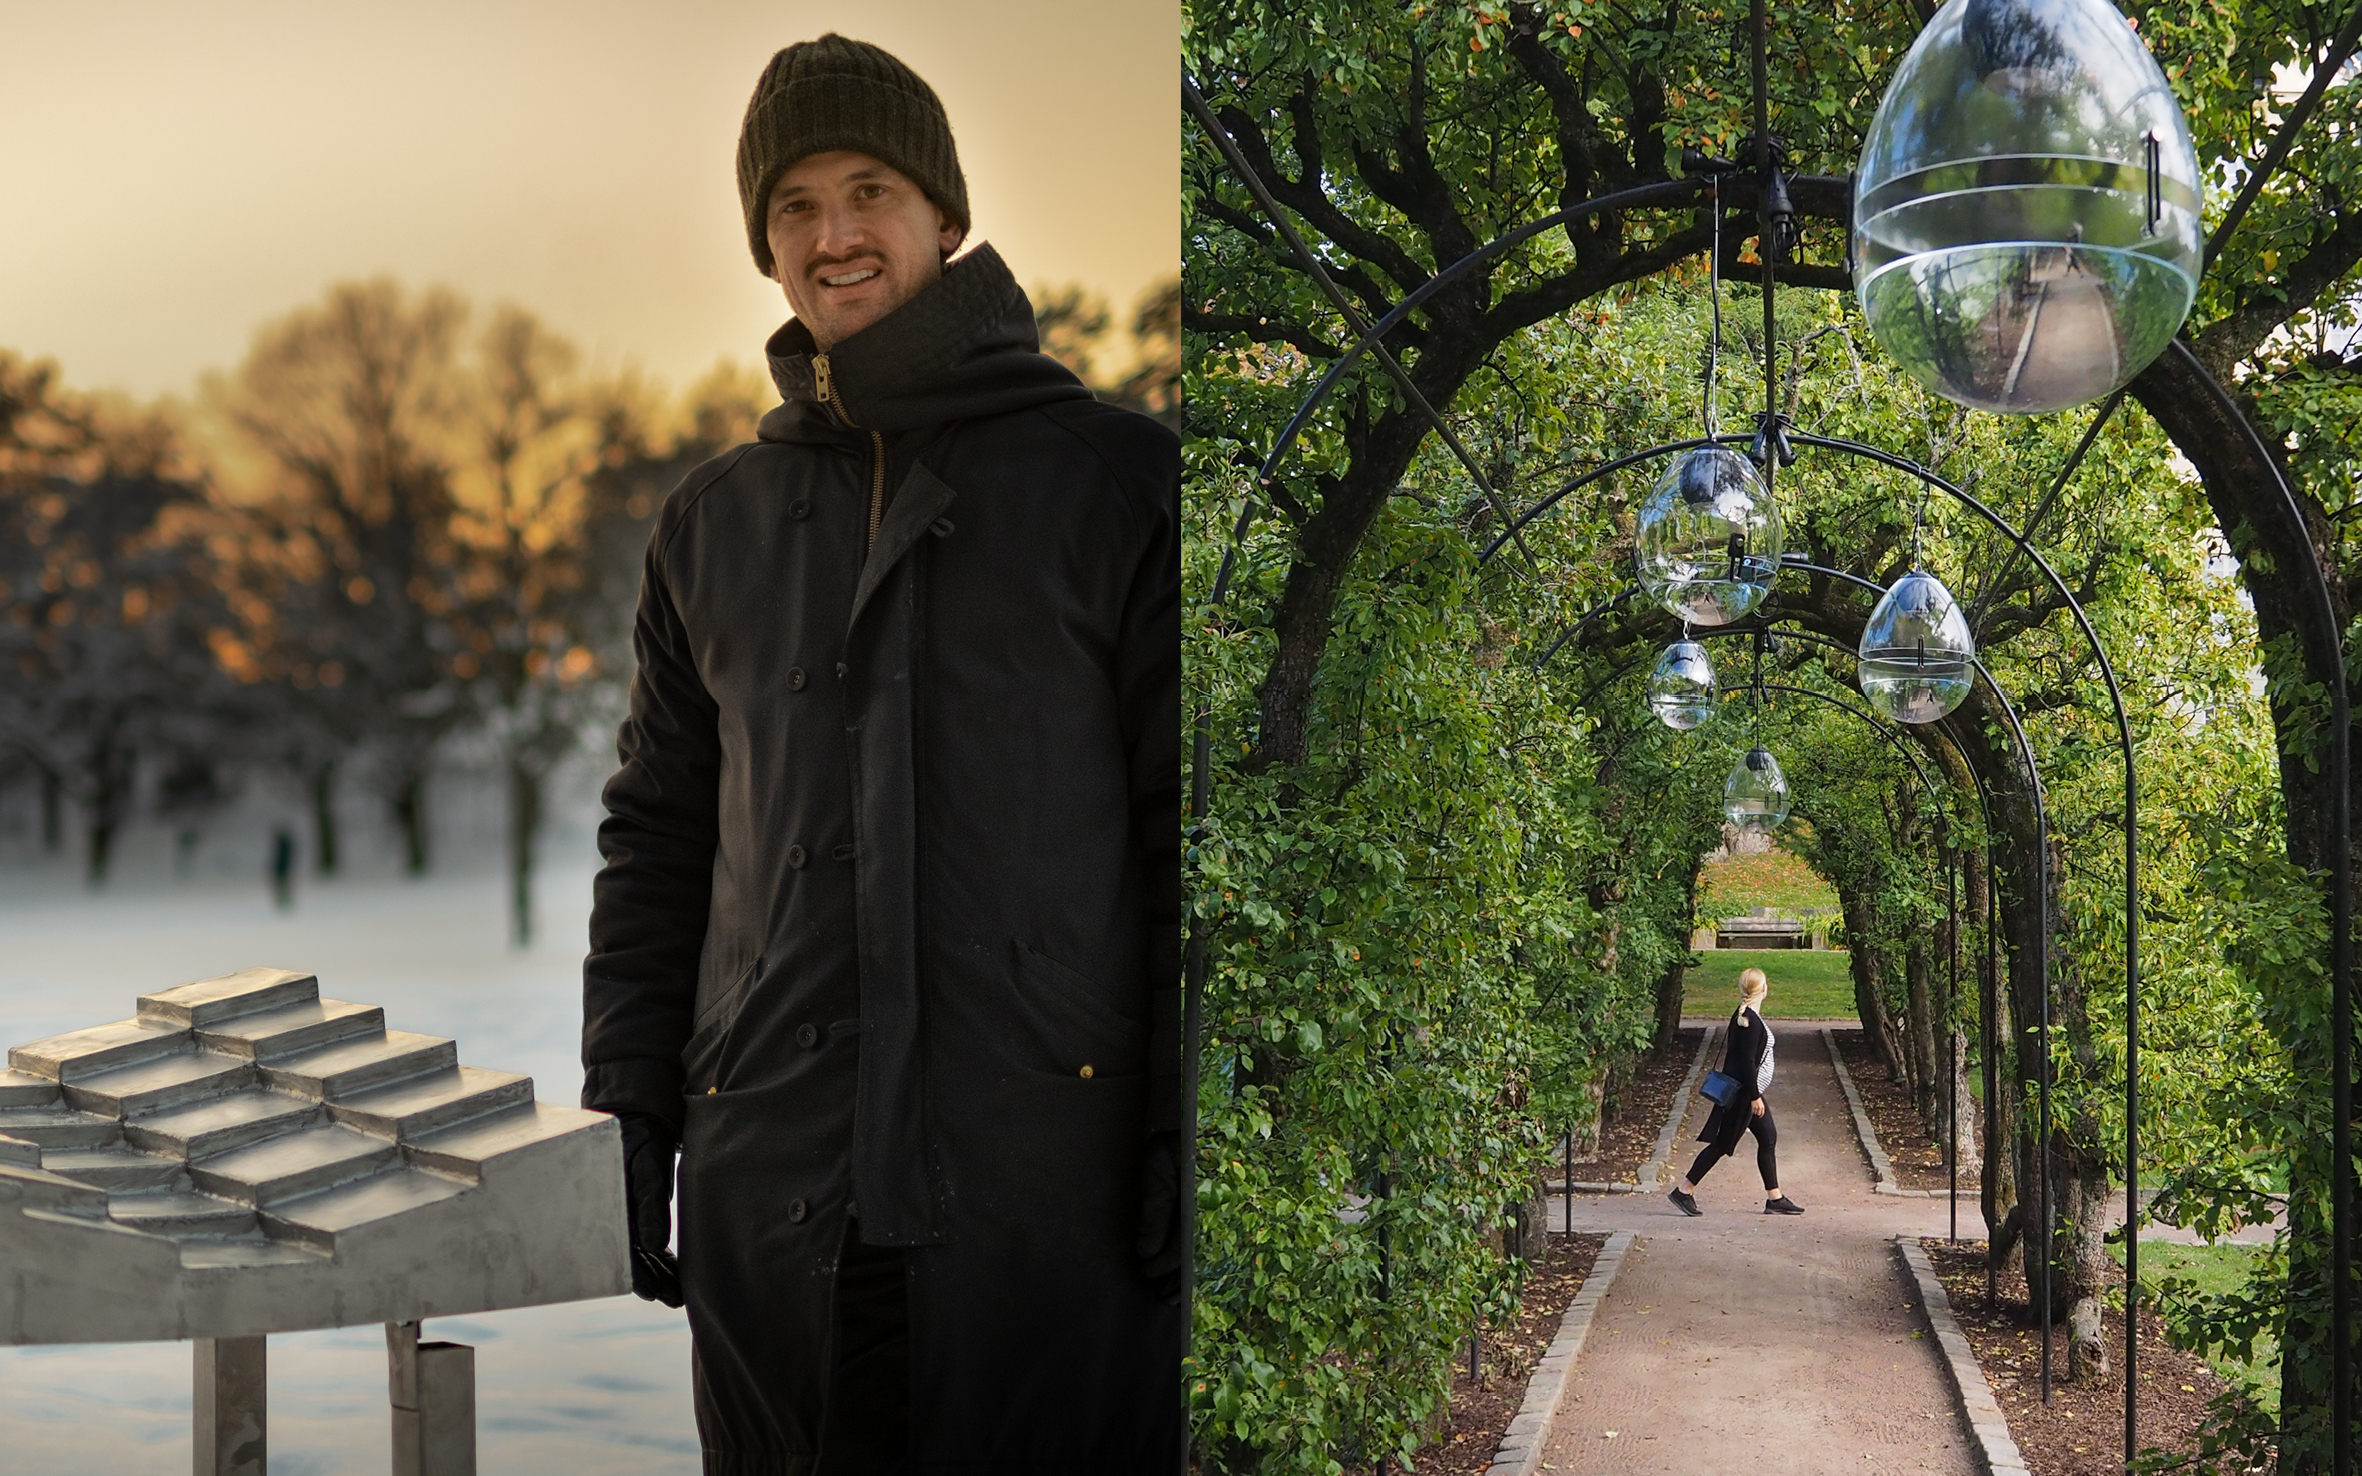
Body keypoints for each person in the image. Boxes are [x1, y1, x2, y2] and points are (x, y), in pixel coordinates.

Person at [578, 33, 1182, 1473]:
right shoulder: (710, 524)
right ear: (764, 248)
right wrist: (634, 1108)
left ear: (944, 218)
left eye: (868, 191)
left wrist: (1182, 1128)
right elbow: (658, 838)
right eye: (794, 206)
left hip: (1044, 1195)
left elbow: (1186, 838)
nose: (833, 234)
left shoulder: (1115, 482)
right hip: (774, 1196)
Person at [1668, 965, 1804, 1216]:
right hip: (1744, 1096)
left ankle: (1774, 1198)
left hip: (1749, 1094)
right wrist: (1754, 1096)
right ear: (1763, 989)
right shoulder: (1748, 1021)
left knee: (1768, 1138)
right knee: (1722, 1144)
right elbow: (1746, 1062)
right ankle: (1684, 1190)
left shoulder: (1746, 1016)